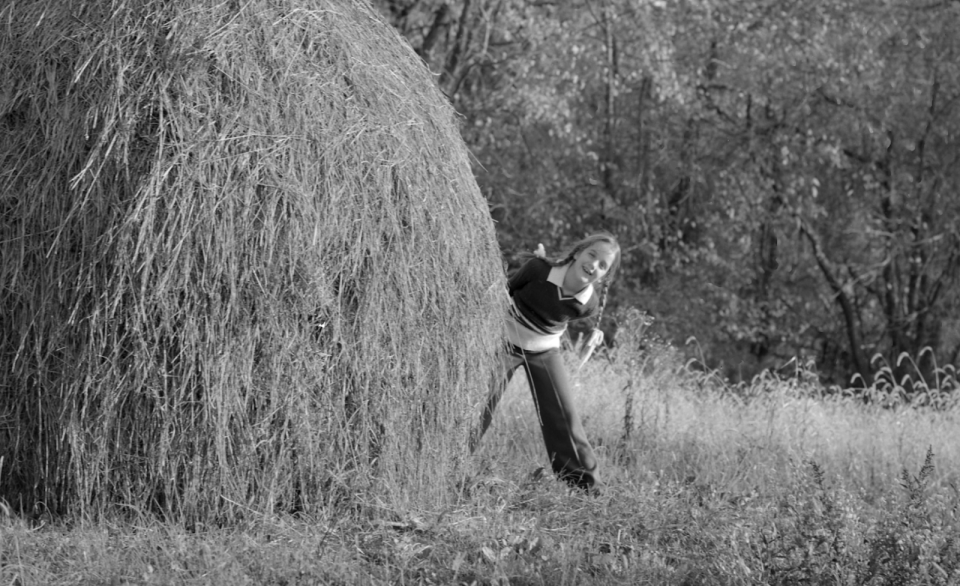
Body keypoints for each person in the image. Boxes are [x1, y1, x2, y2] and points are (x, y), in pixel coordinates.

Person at [470, 232, 621, 491]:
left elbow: (557, 322)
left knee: (563, 413)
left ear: (604, 276)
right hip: (504, 341)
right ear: (578, 252)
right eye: (591, 255)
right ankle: (450, 458)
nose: (594, 264)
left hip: (544, 350)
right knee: (480, 401)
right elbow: (507, 289)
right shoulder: (538, 269)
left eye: (602, 265)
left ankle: (587, 484)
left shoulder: (588, 305)